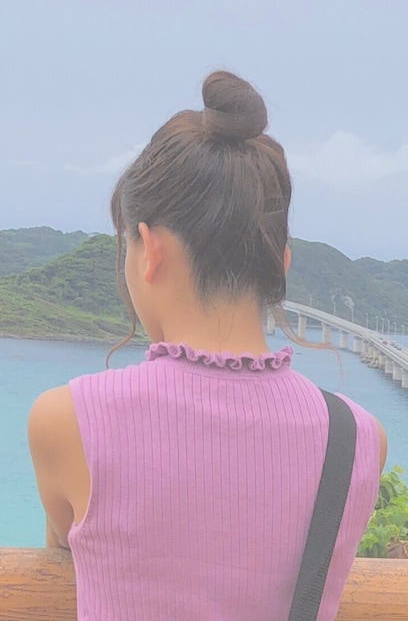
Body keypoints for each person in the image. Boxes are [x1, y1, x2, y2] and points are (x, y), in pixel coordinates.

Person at [27, 70, 387, 621]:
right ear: (282, 263)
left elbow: (67, 546)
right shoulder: (358, 438)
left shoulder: (66, 419)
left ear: (149, 250)